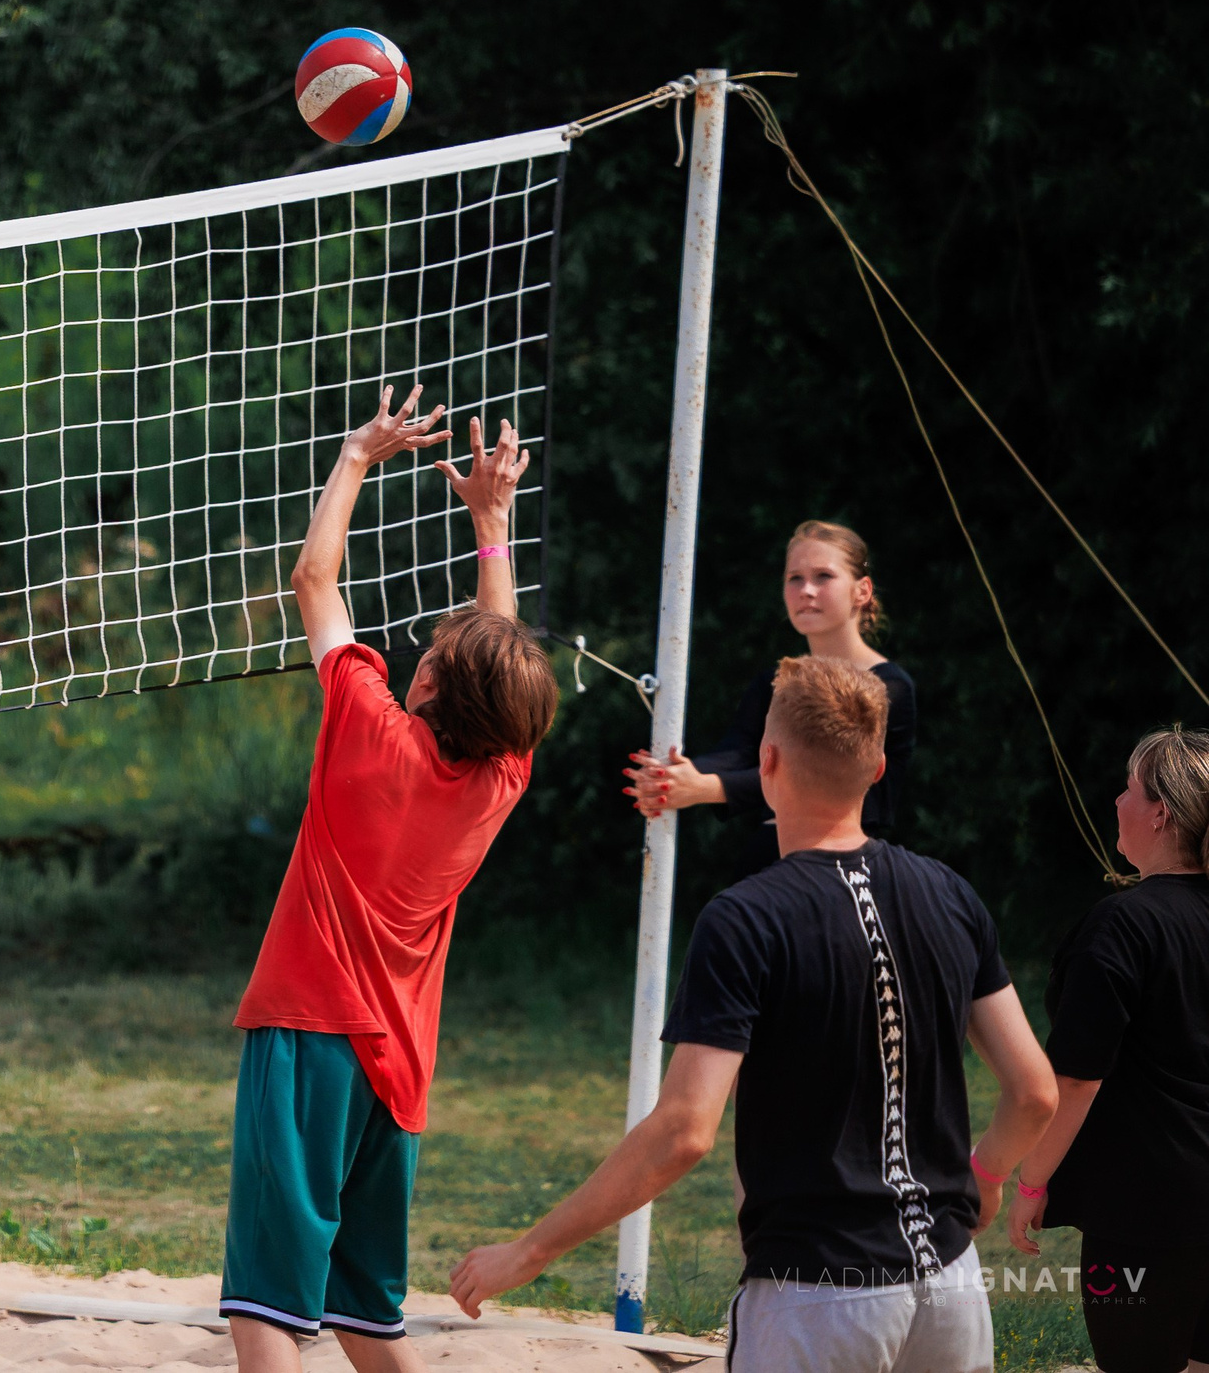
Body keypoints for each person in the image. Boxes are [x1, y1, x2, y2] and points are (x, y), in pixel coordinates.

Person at [450, 656, 1059, 1373]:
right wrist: (985, 1175)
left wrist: (527, 1252)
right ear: (879, 766)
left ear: (767, 760)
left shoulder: (747, 916)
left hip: (816, 1293)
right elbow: (1034, 1090)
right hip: (951, 1290)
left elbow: (683, 1130)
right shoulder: (950, 892)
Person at [221, 389, 559, 1373]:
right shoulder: (501, 774)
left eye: (438, 647)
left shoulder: (366, 732)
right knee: (367, 1318)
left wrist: (357, 455)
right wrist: (491, 527)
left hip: (306, 1036)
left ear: (426, 685)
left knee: (267, 1309)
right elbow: (494, 661)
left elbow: (312, 577)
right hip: (397, 1069)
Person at [1004, 727, 1209, 1373]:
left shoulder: (1123, 923)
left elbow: (1075, 1079)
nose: (1116, 799)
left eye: (1128, 786)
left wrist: (1031, 1178)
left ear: (1160, 811)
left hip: (1149, 1211)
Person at [627, 521, 918, 863]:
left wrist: (706, 788)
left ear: (862, 591)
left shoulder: (889, 687)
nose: (806, 590)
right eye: (794, 578)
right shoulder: (776, 681)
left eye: (823, 576)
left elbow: (817, 775)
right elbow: (737, 754)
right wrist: (672, 775)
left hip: (845, 865)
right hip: (771, 857)